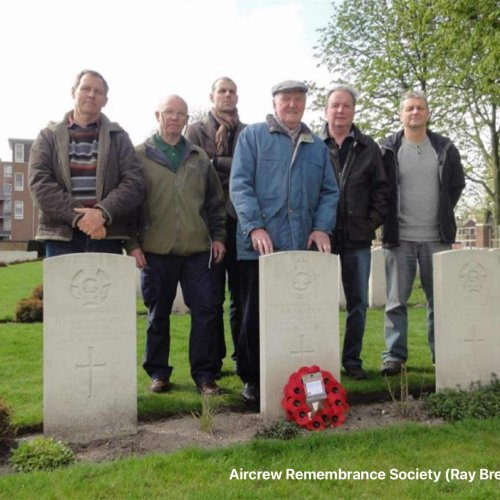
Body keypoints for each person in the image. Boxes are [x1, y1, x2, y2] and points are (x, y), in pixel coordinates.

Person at [230, 80, 339, 404]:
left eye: (298, 100)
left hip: (300, 246)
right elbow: (240, 185)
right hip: (260, 247)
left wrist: (321, 228)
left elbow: (329, 191)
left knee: (298, 317)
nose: (292, 105)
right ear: (274, 103)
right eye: (286, 99)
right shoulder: (252, 137)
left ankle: (299, 376)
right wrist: (254, 228)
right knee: (254, 317)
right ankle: (252, 379)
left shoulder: (316, 146)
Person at [127, 94, 226, 395]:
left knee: (206, 312)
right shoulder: (138, 156)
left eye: (180, 113)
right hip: (155, 251)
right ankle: (158, 373)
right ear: (157, 115)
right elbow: (130, 204)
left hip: (197, 251)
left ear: (186, 119)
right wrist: (132, 243)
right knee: (158, 314)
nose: (174, 118)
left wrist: (219, 236)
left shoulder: (199, 158)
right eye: (168, 112)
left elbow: (214, 203)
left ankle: (205, 376)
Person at [380, 90, 465, 375]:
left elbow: (456, 185)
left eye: (419, 108)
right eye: (409, 109)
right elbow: (379, 190)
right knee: (395, 301)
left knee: (438, 301)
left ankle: (440, 354)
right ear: (401, 114)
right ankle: (394, 357)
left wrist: (441, 215)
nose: (414, 113)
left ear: (427, 113)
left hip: (436, 238)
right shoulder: (387, 149)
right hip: (399, 237)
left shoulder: (445, 149)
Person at [29, 69, 145, 256]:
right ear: (73, 92)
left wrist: (102, 213)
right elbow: (39, 184)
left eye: (98, 91)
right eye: (85, 88)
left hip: (106, 235)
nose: (91, 95)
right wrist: (79, 217)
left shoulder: (119, 137)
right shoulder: (48, 136)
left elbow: (134, 183)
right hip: (61, 238)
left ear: (105, 100)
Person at [320, 85, 389, 380]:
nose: (340, 110)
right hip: (320, 236)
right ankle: (319, 359)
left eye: (346, 105)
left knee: (357, 302)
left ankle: (352, 360)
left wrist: (369, 222)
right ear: (326, 110)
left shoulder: (368, 147)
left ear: (353, 111)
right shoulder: (312, 144)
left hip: (357, 237)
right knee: (317, 301)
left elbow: (382, 190)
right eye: (335, 105)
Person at [186, 77, 245, 376]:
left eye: (232, 91)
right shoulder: (196, 130)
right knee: (211, 298)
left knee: (240, 296)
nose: (227, 95)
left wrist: (216, 161)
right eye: (222, 91)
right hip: (208, 222)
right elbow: (196, 166)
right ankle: (214, 359)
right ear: (212, 96)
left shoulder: (248, 132)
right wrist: (230, 163)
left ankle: (240, 354)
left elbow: (251, 168)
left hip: (240, 222)